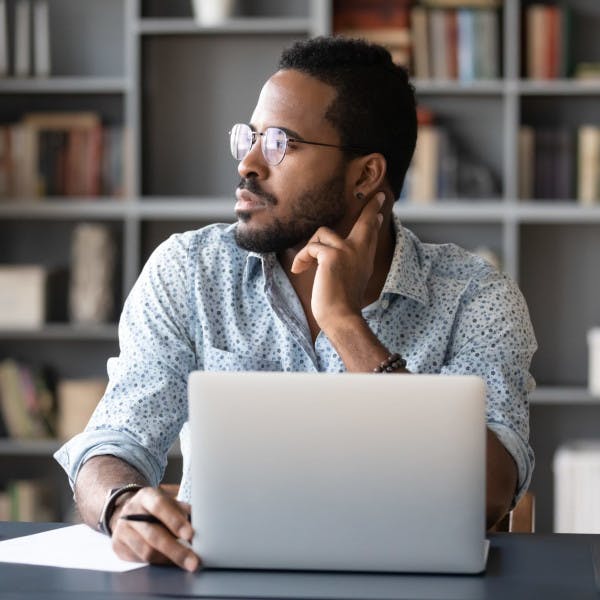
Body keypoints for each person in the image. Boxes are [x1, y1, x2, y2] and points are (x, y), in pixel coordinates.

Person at [55, 36, 536, 572]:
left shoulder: (476, 297)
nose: (249, 165)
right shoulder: (189, 271)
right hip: (216, 581)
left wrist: (347, 326)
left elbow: (486, 497)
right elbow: (115, 438)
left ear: (365, 175)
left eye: (281, 143)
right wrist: (123, 505)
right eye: (252, 138)